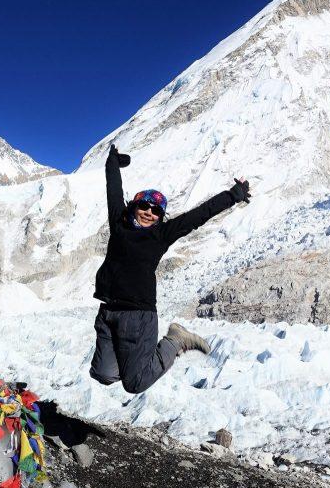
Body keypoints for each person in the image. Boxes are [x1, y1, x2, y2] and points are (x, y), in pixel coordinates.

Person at [90, 144, 251, 394]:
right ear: (134, 206)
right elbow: (113, 188)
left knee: (135, 383)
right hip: (108, 311)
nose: (149, 213)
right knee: (103, 374)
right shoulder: (118, 223)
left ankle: (175, 340)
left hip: (138, 316)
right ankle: (137, 361)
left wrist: (233, 195)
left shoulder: (161, 235)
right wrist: (113, 160)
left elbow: (199, 215)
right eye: (144, 206)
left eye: (156, 211)